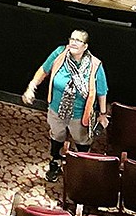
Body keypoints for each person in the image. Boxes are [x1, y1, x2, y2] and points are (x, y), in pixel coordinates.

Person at [22, 29, 108, 181]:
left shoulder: (95, 65)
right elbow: (44, 70)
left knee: (82, 141)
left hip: (80, 114)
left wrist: (102, 114)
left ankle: (80, 168)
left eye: (78, 40)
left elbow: (101, 91)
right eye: (72, 39)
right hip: (57, 110)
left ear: (85, 46)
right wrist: (31, 87)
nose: (74, 42)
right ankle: (55, 163)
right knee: (57, 136)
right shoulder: (59, 53)